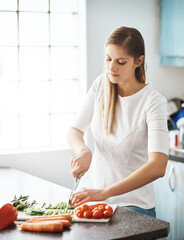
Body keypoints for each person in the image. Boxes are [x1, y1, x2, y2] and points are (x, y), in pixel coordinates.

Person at [66, 26, 169, 217]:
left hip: (132, 204)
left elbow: (158, 165)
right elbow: (74, 130)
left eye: (121, 62)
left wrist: (105, 192)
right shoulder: (100, 86)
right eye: (108, 59)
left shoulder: (153, 101)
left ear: (138, 61)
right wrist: (83, 151)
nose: (111, 68)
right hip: (91, 199)